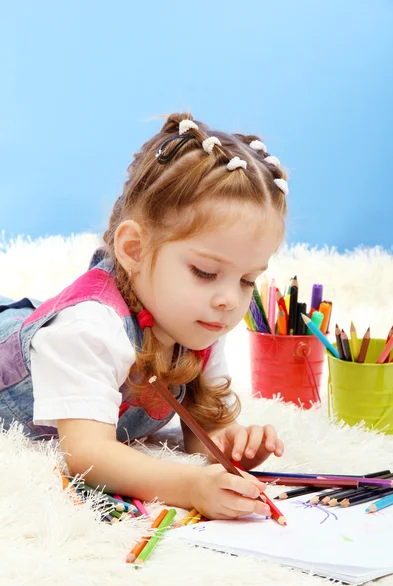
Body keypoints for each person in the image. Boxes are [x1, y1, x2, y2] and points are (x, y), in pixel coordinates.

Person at [0, 113, 289, 520]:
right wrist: (189, 486)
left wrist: (233, 443)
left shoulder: (199, 320)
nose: (228, 300)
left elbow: (202, 429)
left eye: (246, 280)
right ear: (134, 250)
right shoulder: (88, 329)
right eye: (205, 273)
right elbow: (87, 454)